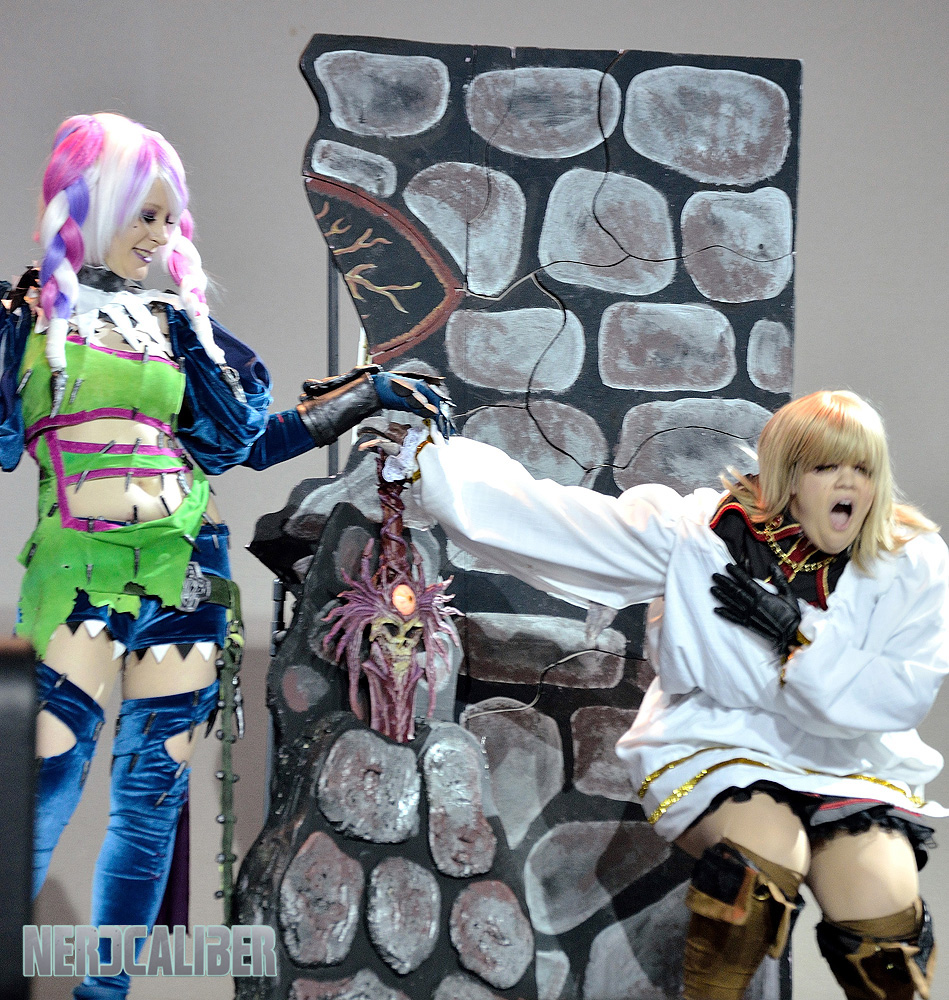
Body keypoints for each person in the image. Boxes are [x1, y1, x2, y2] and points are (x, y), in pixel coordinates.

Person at [0, 111, 451, 1000]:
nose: (159, 235)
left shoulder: (178, 328)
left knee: (152, 796)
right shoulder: (26, 321)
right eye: (144, 215)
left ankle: (105, 992)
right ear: (90, 207)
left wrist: (366, 396)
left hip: (185, 573)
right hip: (80, 575)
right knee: (42, 780)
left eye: (170, 219)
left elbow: (247, 444)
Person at [365, 389, 949, 1000]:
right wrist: (431, 465)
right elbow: (563, 524)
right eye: (827, 466)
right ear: (789, 475)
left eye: (863, 468)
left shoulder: (910, 562)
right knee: (761, 864)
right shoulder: (702, 536)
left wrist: (795, 639)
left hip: (848, 760)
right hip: (725, 741)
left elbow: (901, 695)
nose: (848, 483)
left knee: (884, 918)